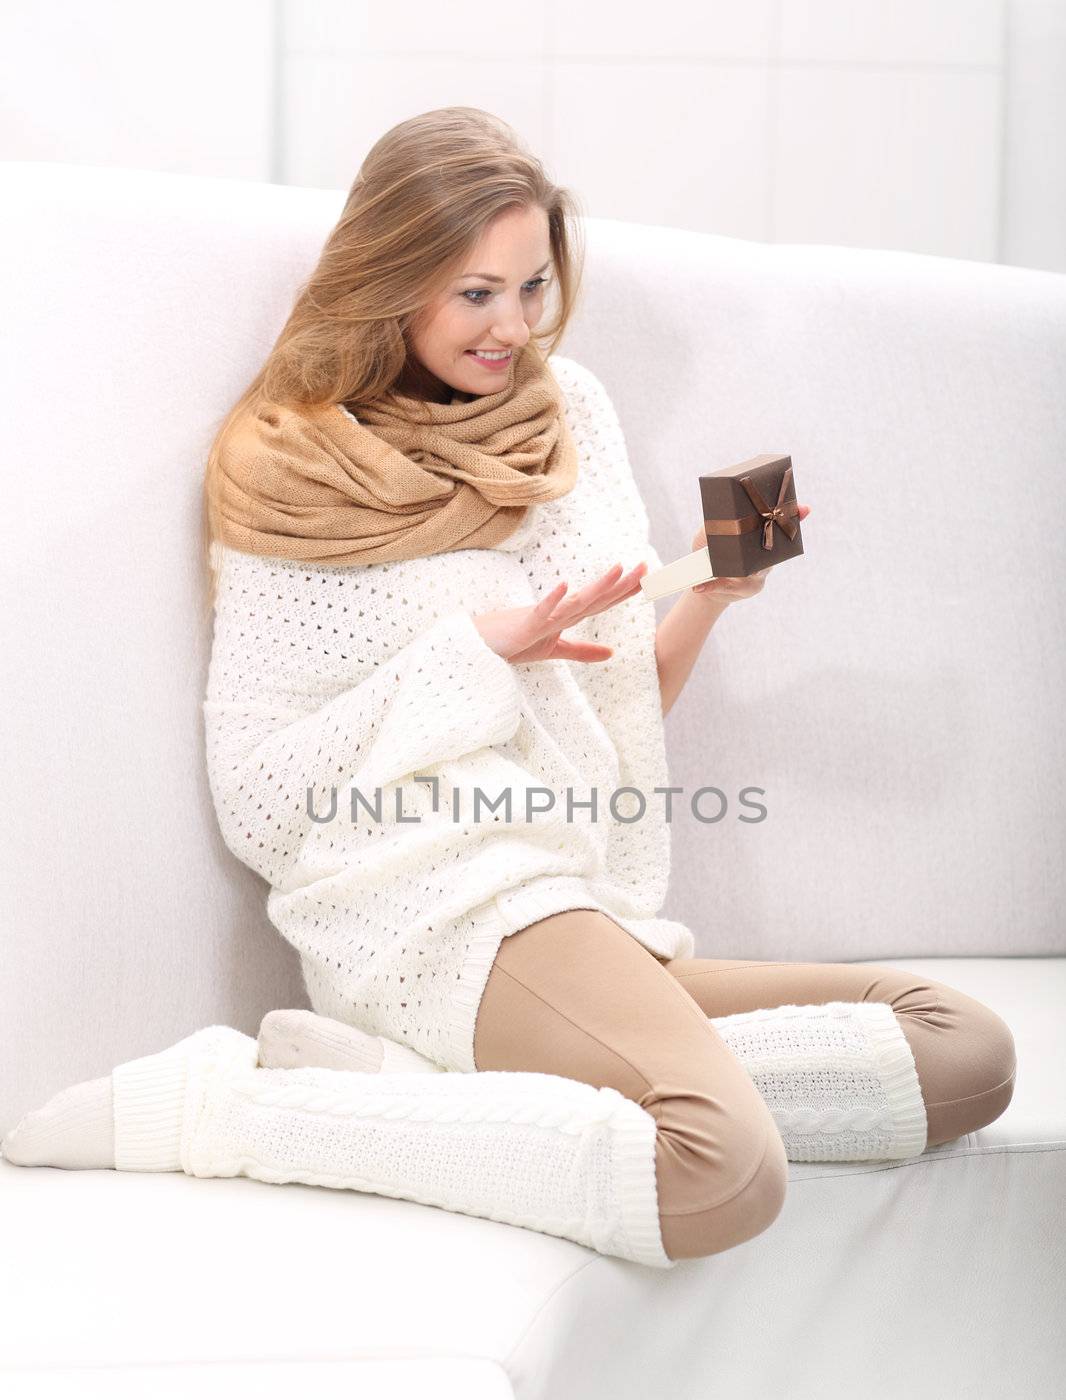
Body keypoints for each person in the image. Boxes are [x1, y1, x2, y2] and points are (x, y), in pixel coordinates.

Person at [1, 108, 1017, 1271]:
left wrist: (708, 598)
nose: (512, 327)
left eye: (531, 286)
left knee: (958, 1049)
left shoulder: (565, 413)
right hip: (423, 906)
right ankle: (233, 1113)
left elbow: (611, 710)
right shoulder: (290, 463)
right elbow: (260, 793)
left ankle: (419, 1087)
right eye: (474, 293)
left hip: (569, 898)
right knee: (717, 1169)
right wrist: (474, 653)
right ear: (389, 279)